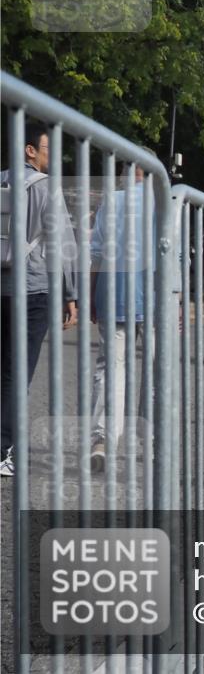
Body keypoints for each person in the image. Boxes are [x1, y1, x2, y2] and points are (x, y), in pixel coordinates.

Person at [0, 122, 78, 477]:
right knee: (17, 374)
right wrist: (71, 294)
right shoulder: (48, 189)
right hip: (32, 290)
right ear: (30, 150)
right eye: (48, 149)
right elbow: (64, 246)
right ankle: (4, 450)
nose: (53, 158)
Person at [89, 157, 154, 473]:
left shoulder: (110, 201)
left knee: (110, 367)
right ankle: (151, 440)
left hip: (112, 291)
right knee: (156, 369)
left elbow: (96, 252)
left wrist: (89, 295)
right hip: (155, 297)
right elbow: (178, 257)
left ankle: (102, 439)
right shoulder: (167, 204)